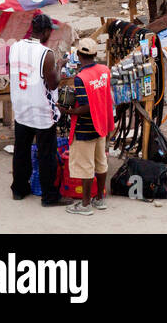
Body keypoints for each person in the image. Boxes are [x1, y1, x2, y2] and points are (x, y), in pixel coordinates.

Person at [8, 13, 64, 207]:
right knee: (46, 154)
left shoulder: (15, 47)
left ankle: (18, 189)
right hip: (41, 111)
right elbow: (54, 84)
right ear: (47, 31)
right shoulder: (46, 54)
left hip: (21, 106)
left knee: (21, 150)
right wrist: (60, 66)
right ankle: (49, 196)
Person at [63, 38, 113, 216]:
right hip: (101, 125)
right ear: (94, 54)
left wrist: (67, 111)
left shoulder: (80, 78)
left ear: (78, 55)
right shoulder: (105, 70)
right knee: (101, 162)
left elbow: (84, 107)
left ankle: (85, 204)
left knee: (85, 166)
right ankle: (99, 199)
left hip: (85, 127)